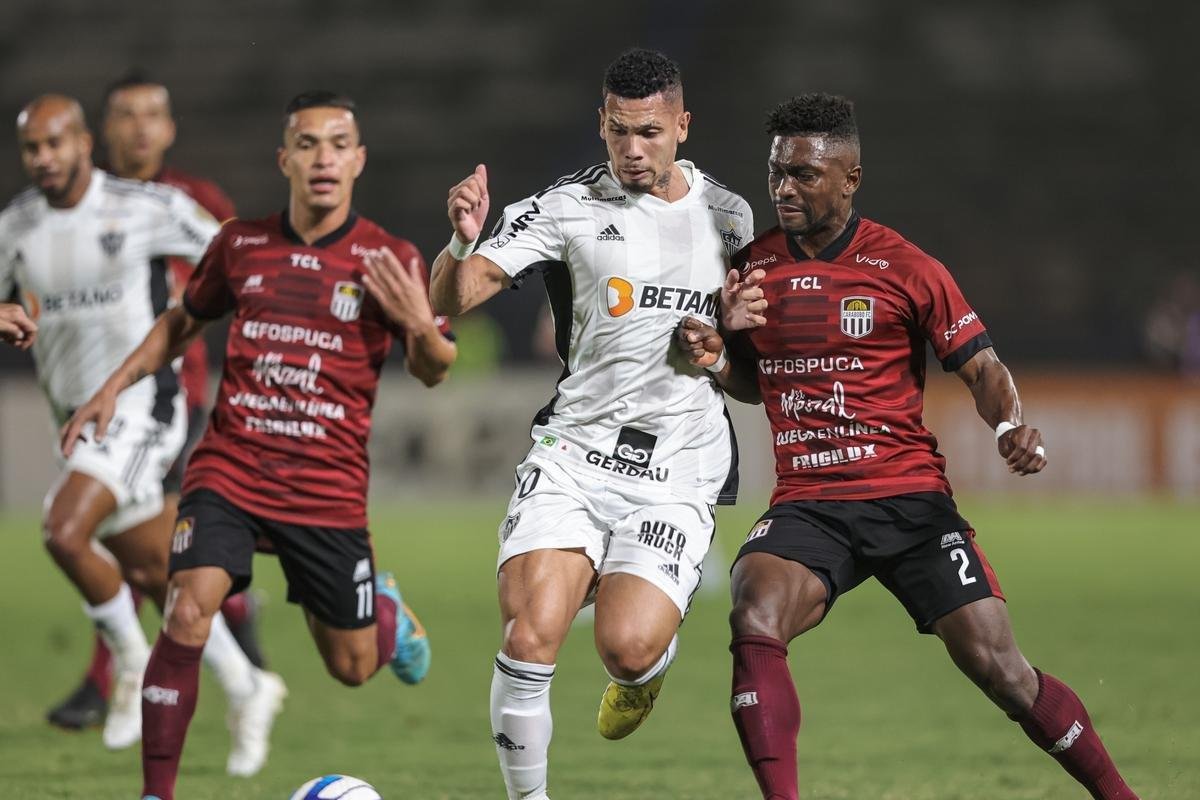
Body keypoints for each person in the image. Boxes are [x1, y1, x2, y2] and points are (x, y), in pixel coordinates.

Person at [678, 93, 1139, 799]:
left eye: (803, 174)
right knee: (754, 613)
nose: (783, 188)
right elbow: (750, 380)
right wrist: (716, 357)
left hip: (908, 499)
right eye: (776, 172)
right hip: (809, 503)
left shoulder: (907, 267)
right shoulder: (751, 267)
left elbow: (982, 368)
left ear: (850, 178)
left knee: (1003, 672)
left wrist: (1009, 426)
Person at [63, 89, 454, 800]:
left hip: (326, 489)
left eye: (338, 144)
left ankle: (385, 614)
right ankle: (155, 794)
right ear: (286, 160)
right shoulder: (240, 243)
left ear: (358, 160)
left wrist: (421, 326)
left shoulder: (390, 258)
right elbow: (182, 321)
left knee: (351, 666)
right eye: (308, 144)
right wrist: (114, 385)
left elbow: (434, 370)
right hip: (232, 467)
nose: (323, 158)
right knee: (187, 609)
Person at [430, 48, 754, 800]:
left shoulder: (729, 216)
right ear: (600, 124)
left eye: (649, 132)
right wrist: (460, 241)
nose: (632, 149)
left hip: (677, 464)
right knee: (529, 633)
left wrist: (721, 350)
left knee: (627, 649)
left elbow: (752, 372)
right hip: (575, 452)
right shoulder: (564, 206)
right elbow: (451, 299)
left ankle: (649, 662)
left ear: (682, 126)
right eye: (618, 131)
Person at [0, 95, 283, 771]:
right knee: (157, 571)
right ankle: (248, 684)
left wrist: (254, 322)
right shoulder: (16, 225)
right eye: (31, 148)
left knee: (63, 529)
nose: (43, 158)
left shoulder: (143, 207)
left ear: (83, 143)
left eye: (54, 143)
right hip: (73, 418)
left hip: (143, 404)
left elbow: (235, 253)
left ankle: (130, 659)